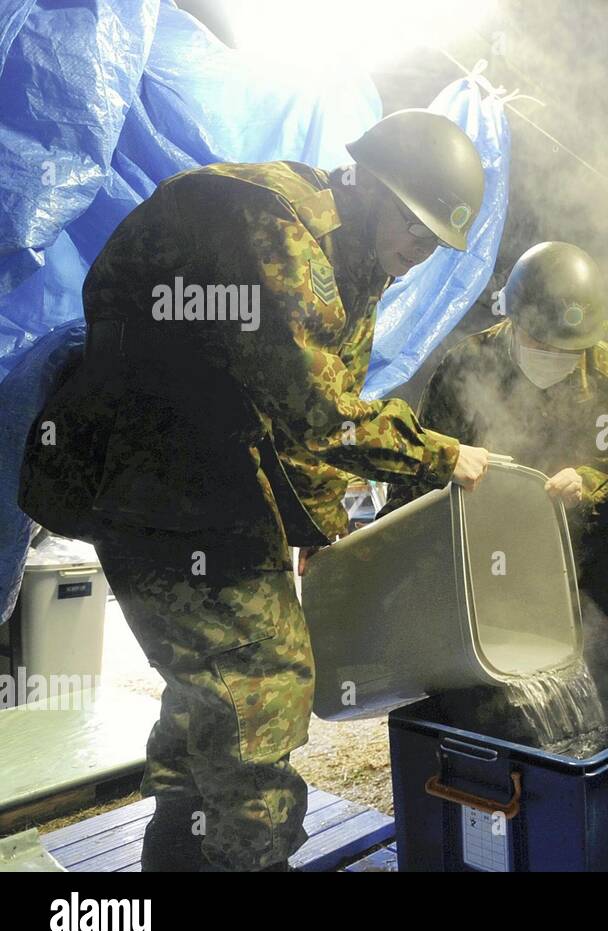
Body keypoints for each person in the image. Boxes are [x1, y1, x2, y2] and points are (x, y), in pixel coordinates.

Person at [19, 109, 494, 870]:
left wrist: (319, 527)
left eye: (433, 242)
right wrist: (441, 455)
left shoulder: (358, 258)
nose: (417, 251)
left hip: (210, 483)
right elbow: (315, 410)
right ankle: (252, 855)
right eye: (413, 226)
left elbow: (297, 415)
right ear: (369, 182)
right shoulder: (273, 224)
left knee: (204, 700)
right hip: (155, 477)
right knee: (261, 691)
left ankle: (175, 856)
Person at [384, 241, 608, 638]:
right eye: (542, 342)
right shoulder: (467, 365)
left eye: (568, 347)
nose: (555, 353)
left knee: (607, 668)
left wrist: (587, 484)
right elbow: (416, 478)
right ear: (517, 319)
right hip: (486, 568)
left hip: (582, 573)